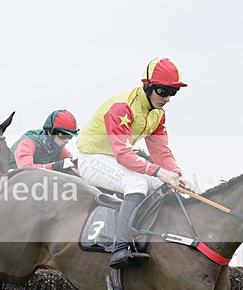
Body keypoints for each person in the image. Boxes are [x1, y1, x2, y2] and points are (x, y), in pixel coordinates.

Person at [76, 57, 195, 269]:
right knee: (137, 184)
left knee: (163, 185)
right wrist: (158, 171)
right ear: (148, 86)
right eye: (163, 91)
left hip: (116, 158)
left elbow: (161, 152)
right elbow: (122, 153)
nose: (167, 98)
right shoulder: (123, 107)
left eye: (173, 92)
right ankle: (120, 247)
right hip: (92, 157)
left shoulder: (158, 114)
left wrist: (176, 174)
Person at [9, 109, 79, 174]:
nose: (66, 141)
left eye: (69, 136)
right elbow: (25, 170)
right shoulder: (27, 143)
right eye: (62, 135)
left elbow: (71, 164)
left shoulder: (58, 147)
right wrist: (55, 166)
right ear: (49, 132)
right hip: (7, 180)